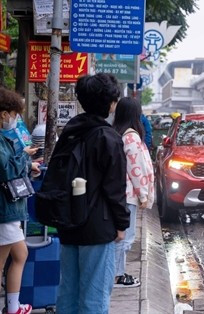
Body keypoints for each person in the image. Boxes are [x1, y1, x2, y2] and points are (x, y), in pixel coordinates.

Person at [54, 73, 130, 313]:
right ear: (109, 103)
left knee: (68, 293)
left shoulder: (69, 131)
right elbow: (115, 188)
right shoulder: (109, 137)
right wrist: (122, 224)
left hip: (68, 222)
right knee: (94, 297)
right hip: (98, 226)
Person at [112, 98, 155, 288]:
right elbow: (136, 168)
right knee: (125, 238)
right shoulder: (132, 137)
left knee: (121, 237)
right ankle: (116, 276)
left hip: (121, 193)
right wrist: (143, 195)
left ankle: (117, 273)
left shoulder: (118, 133)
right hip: (129, 194)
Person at [0, 89, 33, 314]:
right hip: (4, 209)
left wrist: (29, 165)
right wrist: (25, 157)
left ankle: (13, 306)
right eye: (13, 114)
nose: (15, 120)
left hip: (9, 209)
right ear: (4, 115)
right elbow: (7, 169)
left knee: (20, 254)